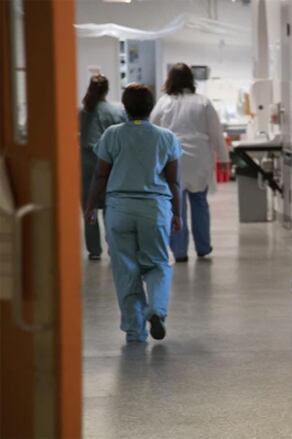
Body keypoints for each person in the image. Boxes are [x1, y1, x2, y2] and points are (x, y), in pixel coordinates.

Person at [84, 83, 182, 343]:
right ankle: (157, 311)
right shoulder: (166, 137)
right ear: (151, 107)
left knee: (125, 269)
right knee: (158, 264)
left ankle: (134, 330)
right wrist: (177, 213)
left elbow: (100, 174)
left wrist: (91, 205)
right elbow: (174, 181)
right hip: (154, 208)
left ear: (125, 107)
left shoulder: (112, 135)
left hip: (119, 209)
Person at [150, 63, 229, 263]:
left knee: (176, 207)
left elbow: (152, 131)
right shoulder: (203, 102)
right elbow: (216, 133)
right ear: (190, 80)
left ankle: (179, 252)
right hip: (199, 159)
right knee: (200, 203)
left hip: (173, 159)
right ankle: (203, 248)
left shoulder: (163, 102)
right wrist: (224, 158)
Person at [79, 74, 126, 260]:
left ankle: (94, 251)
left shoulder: (83, 112)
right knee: (110, 207)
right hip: (110, 163)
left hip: (87, 163)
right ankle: (113, 247)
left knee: (89, 207)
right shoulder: (117, 111)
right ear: (106, 90)